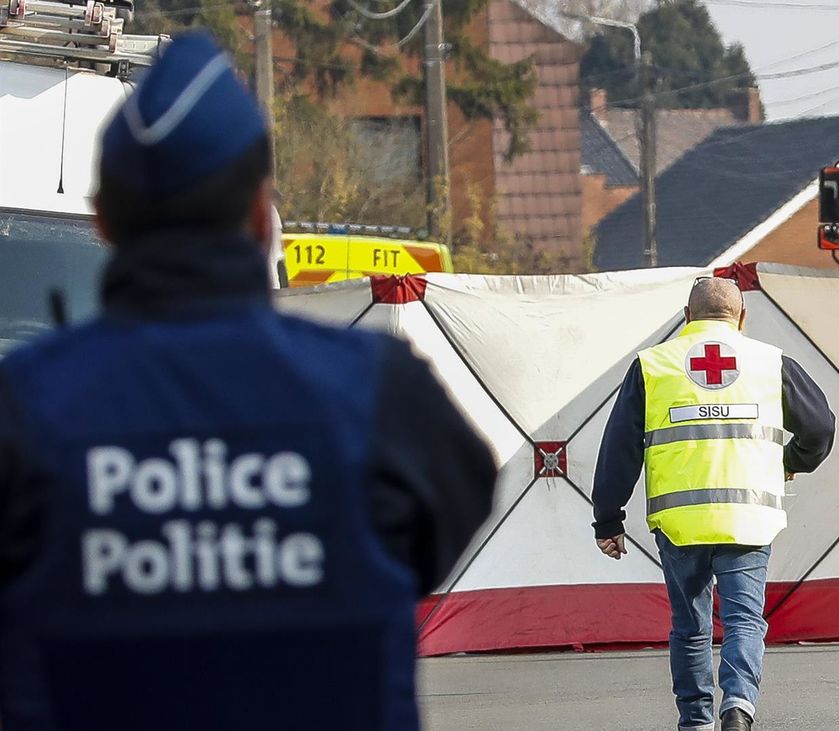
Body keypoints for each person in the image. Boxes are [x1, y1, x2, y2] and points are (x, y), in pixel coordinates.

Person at [0, 32, 497, 730]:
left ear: (108, 220)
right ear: (262, 215)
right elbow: (443, 533)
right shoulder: (380, 394)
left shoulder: (22, 407)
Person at [593, 277, 835, 731]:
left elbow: (619, 448)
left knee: (690, 627)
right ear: (742, 317)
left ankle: (696, 721)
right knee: (744, 619)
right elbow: (820, 428)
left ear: (686, 317)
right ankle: (738, 708)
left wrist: (608, 518)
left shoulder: (652, 366)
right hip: (748, 518)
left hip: (679, 520)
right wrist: (790, 461)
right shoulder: (769, 362)